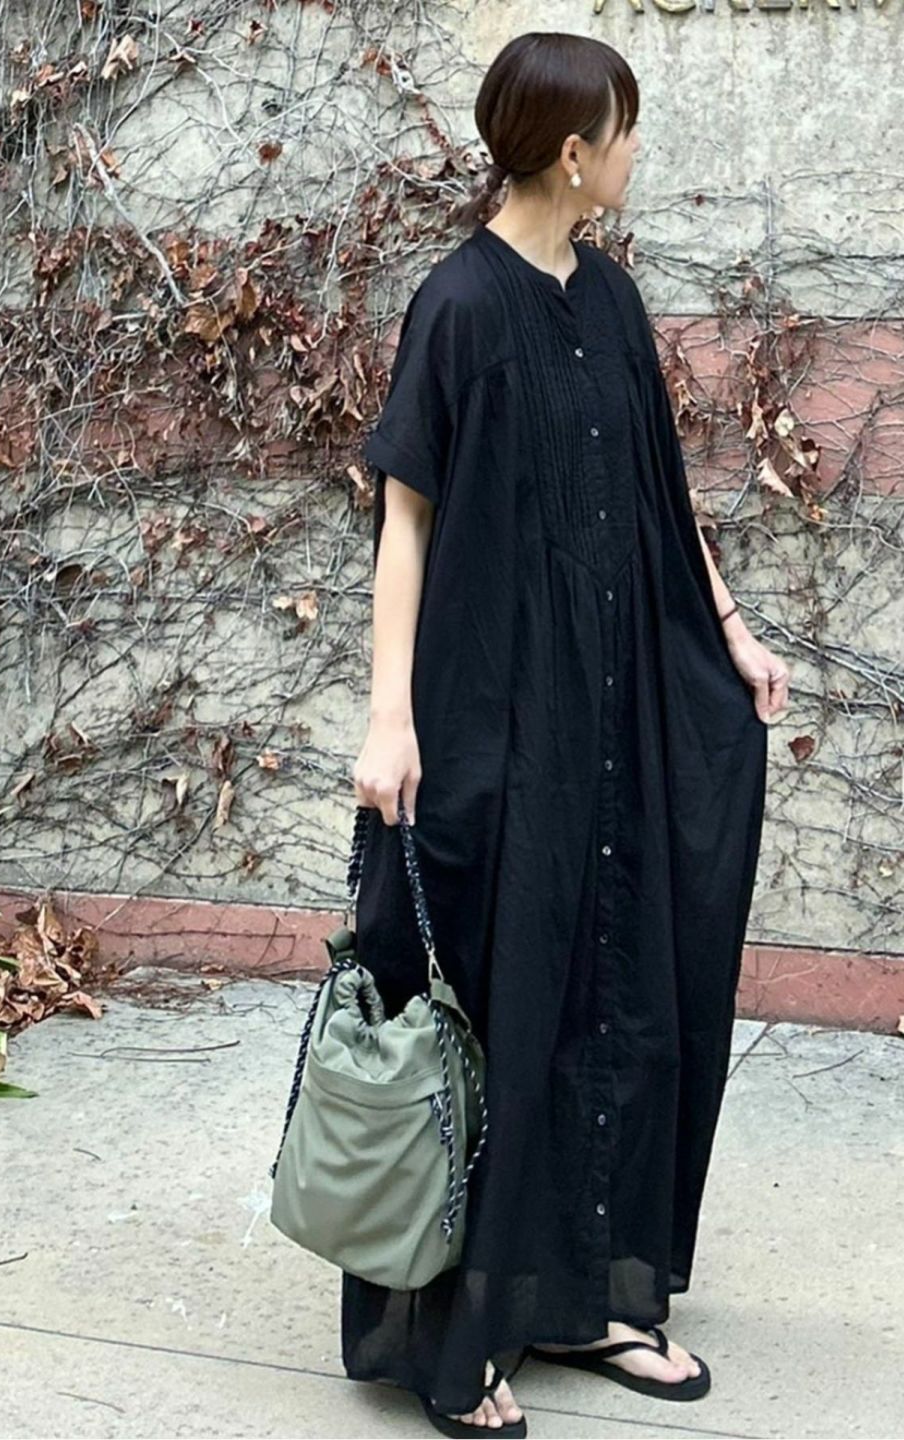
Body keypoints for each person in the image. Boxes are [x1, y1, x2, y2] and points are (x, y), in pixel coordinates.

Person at [348, 30, 790, 1439]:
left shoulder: (611, 299)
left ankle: (587, 1298)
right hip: (493, 717)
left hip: (612, 706)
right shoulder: (458, 306)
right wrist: (390, 716)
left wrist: (729, 629)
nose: (637, 152)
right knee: (501, 1000)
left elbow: (662, 492)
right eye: (626, 130)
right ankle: (461, 1335)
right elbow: (406, 517)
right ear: (573, 151)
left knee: (617, 990)